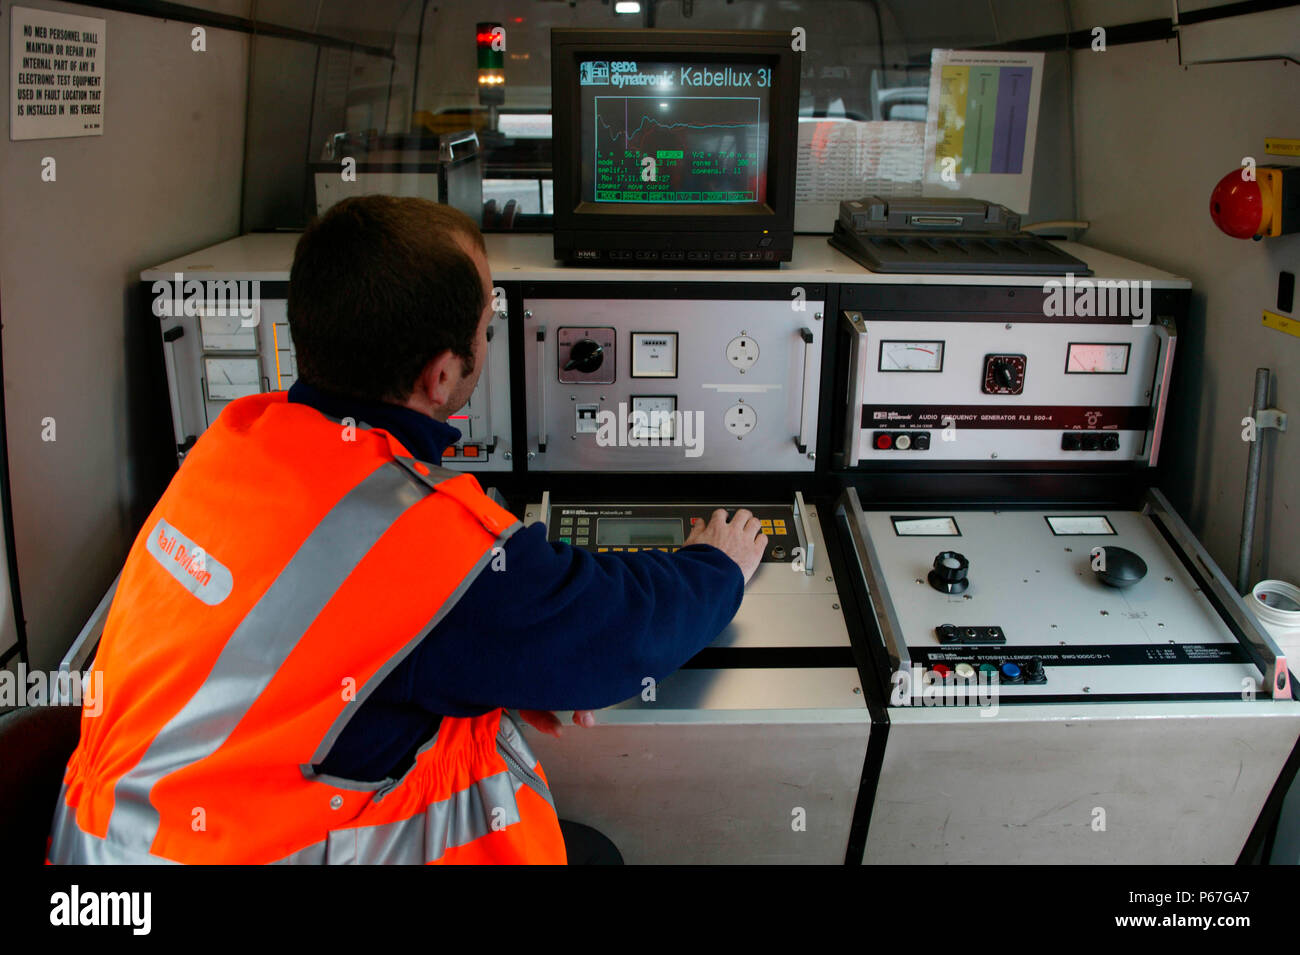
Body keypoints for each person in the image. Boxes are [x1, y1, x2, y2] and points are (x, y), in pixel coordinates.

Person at [48, 195, 767, 865]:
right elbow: (620, 635)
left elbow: (322, 658)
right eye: (487, 326)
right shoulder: (428, 539)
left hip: (103, 849)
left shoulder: (234, 442)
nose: (488, 339)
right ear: (443, 374)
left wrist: (500, 665)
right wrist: (717, 564)